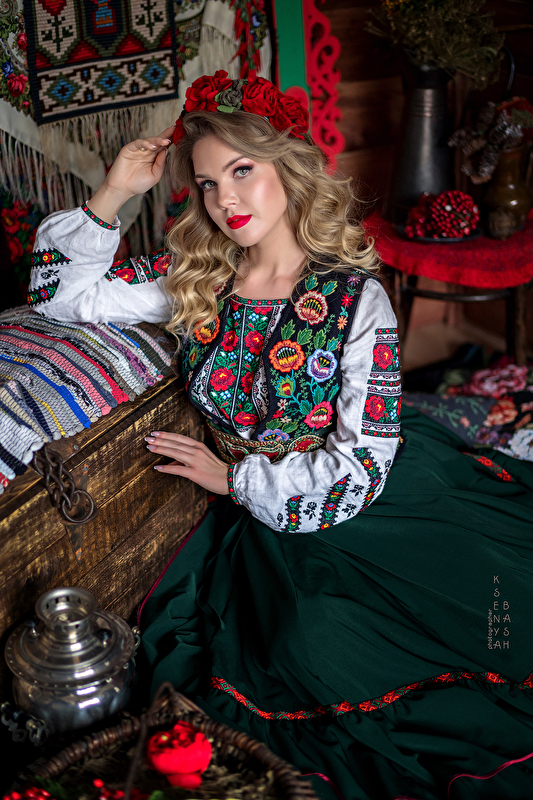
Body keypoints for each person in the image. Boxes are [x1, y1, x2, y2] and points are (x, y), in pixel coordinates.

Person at [29, 71, 533, 800]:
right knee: (296, 641)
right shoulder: (196, 278)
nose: (224, 200)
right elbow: (59, 297)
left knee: (459, 613)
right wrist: (113, 193)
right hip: (256, 525)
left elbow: (360, 464)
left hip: (356, 497)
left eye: (242, 171)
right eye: (207, 184)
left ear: (288, 169)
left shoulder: (353, 297)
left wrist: (232, 478)